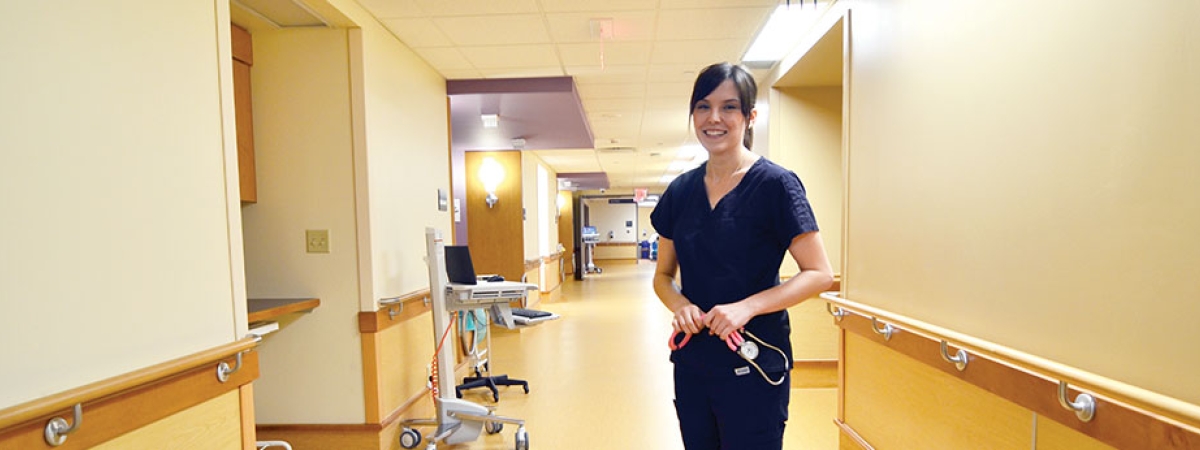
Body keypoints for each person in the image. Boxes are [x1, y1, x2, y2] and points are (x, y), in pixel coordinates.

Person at [650, 62, 834, 450]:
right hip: (694, 361)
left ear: (750, 117)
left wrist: (746, 307)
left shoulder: (776, 185)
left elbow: (818, 273)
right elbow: (663, 276)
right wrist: (680, 305)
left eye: (729, 107)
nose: (714, 118)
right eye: (703, 106)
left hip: (753, 356)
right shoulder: (680, 192)